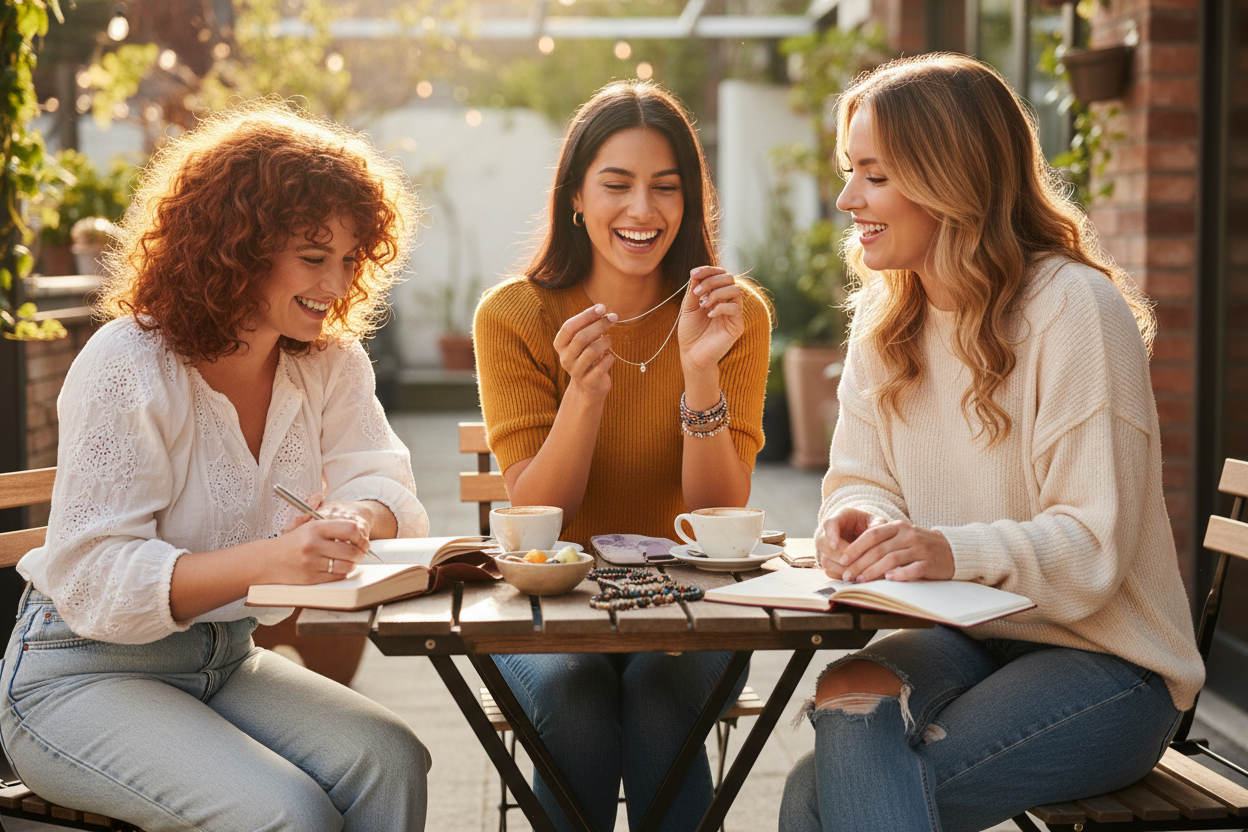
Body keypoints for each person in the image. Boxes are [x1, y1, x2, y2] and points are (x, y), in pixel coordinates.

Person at [779, 54, 1204, 832]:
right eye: (851, 173)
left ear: (949, 179)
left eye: (872, 176)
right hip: (972, 638)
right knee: (848, 692)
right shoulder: (887, 323)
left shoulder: (1076, 311)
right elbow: (858, 480)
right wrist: (861, 522)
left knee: (819, 797)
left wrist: (944, 551)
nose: (846, 200)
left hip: (1109, 664)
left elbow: (1091, 549)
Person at [0, 100, 432, 832]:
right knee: (284, 815)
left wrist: (356, 517)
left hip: (226, 658)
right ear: (239, 247)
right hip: (79, 673)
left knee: (391, 759)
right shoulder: (129, 363)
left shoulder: (328, 361)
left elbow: (380, 476)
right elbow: (95, 576)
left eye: (351, 260)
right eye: (314, 256)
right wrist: (272, 559)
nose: (336, 285)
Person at [473, 80, 770, 831]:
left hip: (687, 607)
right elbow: (543, 522)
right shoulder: (514, 316)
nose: (643, 210)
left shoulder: (734, 315)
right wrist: (585, 393)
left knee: (659, 694)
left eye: (666, 188)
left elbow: (715, 516)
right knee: (576, 697)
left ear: (689, 201)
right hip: (552, 608)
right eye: (617, 184)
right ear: (576, 196)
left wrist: (699, 371)